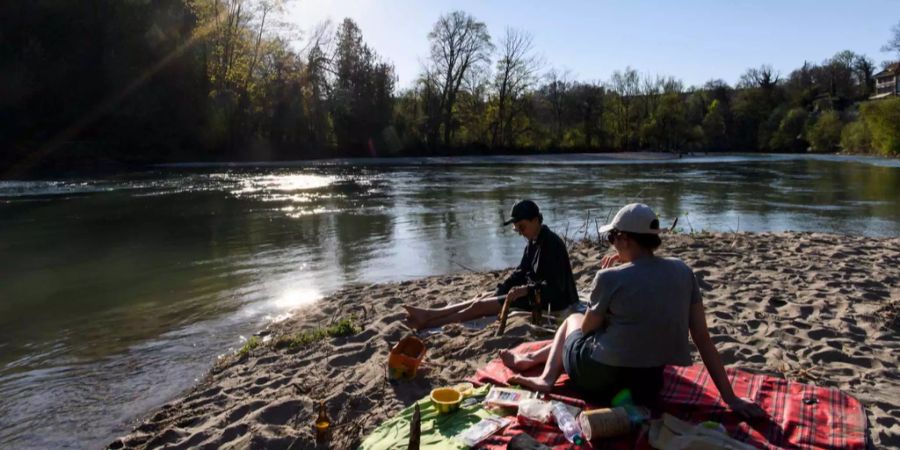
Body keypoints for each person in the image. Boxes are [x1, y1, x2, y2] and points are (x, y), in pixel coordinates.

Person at [500, 203, 766, 419]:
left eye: (612, 238)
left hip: (602, 380)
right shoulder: (684, 272)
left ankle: (546, 378)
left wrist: (607, 280)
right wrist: (730, 399)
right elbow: (703, 340)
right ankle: (535, 357)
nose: (611, 244)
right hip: (647, 386)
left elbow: (586, 329)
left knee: (572, 319)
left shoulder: (610, 278)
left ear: (625, 239)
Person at [404, 200, 578, 330]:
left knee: (479, 307)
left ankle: (429, 323)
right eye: (518, 229)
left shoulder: (552, 244)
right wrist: (502, 289)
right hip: (534, 293)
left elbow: (555, 288)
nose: (520, 233)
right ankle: (429, 314)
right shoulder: (533, 241)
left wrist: (525, 290)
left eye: (522, 227)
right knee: (480, 299)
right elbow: (521, 272)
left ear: (535, 220)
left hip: (551, 301)